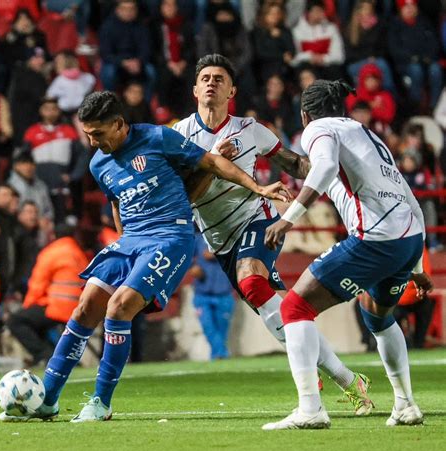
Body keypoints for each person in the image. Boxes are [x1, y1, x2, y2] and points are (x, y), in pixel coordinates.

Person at [0, 90, 287, 422]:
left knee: (119, 307)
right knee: (85, 306)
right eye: (88, 134)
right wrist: (123, 242)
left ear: (119, 124)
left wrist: (259, 187)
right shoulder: (98, 163)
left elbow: (211, 162)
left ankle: (101, 402)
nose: (92, 142)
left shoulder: (158, 137)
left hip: (171, 237)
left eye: (98, 134)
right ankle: (47, 399)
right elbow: (116, 201)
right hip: (131, 240)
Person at [173, 54, 374, 415]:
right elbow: (184, 196)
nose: (211, 82)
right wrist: (215, 160)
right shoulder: (179, 135)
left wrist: (338, 168)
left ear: (231, 90)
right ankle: (349, 381)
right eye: (204, 77)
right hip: (219, 241)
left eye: (219, 78)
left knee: (252, 284)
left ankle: (313, 397)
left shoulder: (251, 129)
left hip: (257, 220)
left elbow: (295, 163)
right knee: (287, 316)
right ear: (194, 88)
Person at [263, 79, 433, 430]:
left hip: (375, 239)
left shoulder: (318, 129)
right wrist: (416, 265)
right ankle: (405, 405)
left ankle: (310, 408)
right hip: (408, 239)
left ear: (305, 114)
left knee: (295, 308)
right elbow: (410, 198)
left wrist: (288, 219)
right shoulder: (367, 135)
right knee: (377, 317)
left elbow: (323, 169)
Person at [7, 223, 89, 367]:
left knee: (16, 321)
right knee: (37, 323)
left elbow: (37, 284)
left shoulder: (51, 252)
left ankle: (46, 356)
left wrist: (27, 306)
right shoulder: (79, 253)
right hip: (79, 309)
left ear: (53, 235)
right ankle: (61, 358)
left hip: (59, 308)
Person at [190, 232, 235, 360]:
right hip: (202, 293)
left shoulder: (229, 237)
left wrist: (216, 254)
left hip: (224, 292)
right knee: (207, 326)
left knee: (222, 329)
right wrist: (192, 267)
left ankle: (217, 356)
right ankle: (222, 354)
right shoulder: (198, 239)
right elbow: (184, 256)